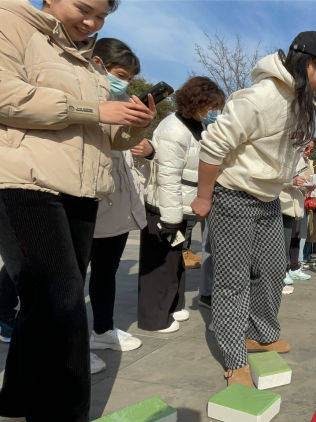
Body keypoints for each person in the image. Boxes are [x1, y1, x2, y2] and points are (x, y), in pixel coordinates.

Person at [0, 0, 156, 418]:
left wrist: (133, 122)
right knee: (64, 305)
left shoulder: (89, 62)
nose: (92, 22)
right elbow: (6, 96)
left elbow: (108, 135)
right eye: (84, 9)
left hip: (81, 190)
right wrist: (94, 109)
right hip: (24, 180)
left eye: (102, 17)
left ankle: (16, 399)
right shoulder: (11, 21)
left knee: (42, 304)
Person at [191, 31, 316, 387]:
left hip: (267, 200)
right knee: (233, 281)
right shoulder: (260, 98)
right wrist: (203, 196)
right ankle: (234, 357)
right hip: (233, 196)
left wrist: (293, 176)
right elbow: (213, 145)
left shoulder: (298, 102)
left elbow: (277, 154)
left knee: (275, 269)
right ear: (309, 64)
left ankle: (260, 332)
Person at [139, 76, 226, 333]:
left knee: (176, 260)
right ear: (196, 102)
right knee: (160, 266)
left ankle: (174, 306)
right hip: (165, 209)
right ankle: (155, 319)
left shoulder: (197, 128)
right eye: (211, 106)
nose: (214, 112)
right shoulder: (173, 129)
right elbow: (167, 177)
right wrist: (171, 218)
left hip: (183, 209)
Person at [88, 38, 151, 357]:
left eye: (129, 77)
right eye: (120, 73)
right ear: (97, 64)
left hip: (115, 205)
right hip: (84, 199)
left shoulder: (124, 103)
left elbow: (122, 153)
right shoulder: (82, 97)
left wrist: (140, 133)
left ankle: (102, 329)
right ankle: (8, 316)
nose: (124, 82)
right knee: (60, 276)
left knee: (104, 272)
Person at [280, 142, 316, 292]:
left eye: (311, 149)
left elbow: (300, 183)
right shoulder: (283, 154)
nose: (308, 151)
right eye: (306, 147)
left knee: (289, 240)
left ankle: (285, 271)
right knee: (280, 243)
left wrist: (308, 186)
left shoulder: (302, 161)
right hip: (281, 204)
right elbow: (272, 178)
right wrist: (292, 181)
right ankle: (279, 276)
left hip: (294, 207)